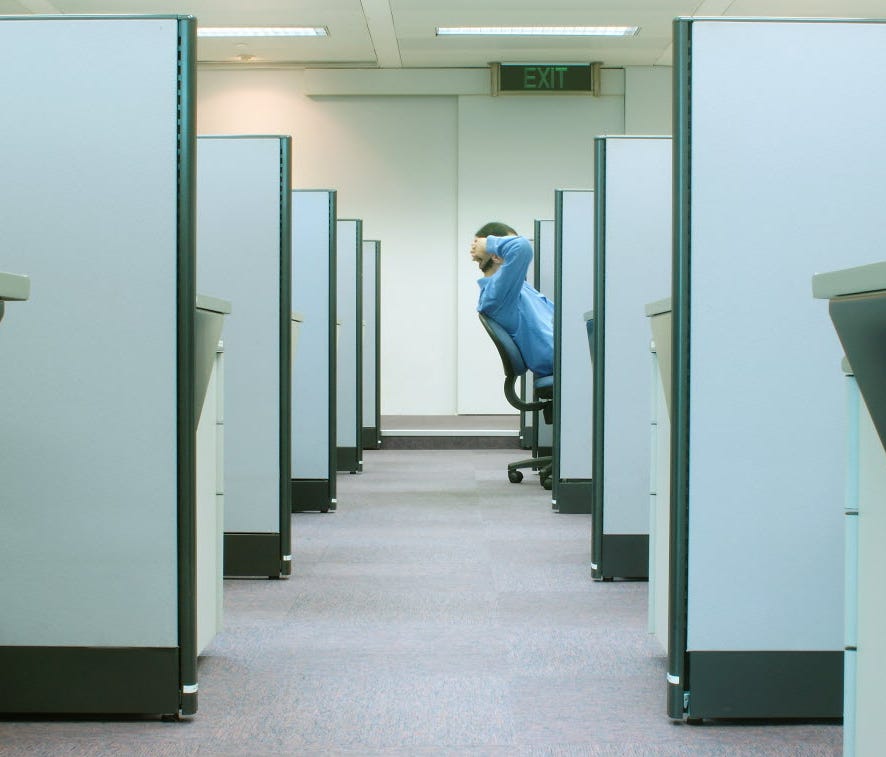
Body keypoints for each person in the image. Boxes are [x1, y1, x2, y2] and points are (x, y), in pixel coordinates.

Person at [470, 221, 554, 377]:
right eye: (504, 244)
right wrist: (489, 243)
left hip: (565, 355)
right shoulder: (496, 295)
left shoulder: (515, 288)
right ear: (495, 255)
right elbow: (521, 248)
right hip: (558, 359)